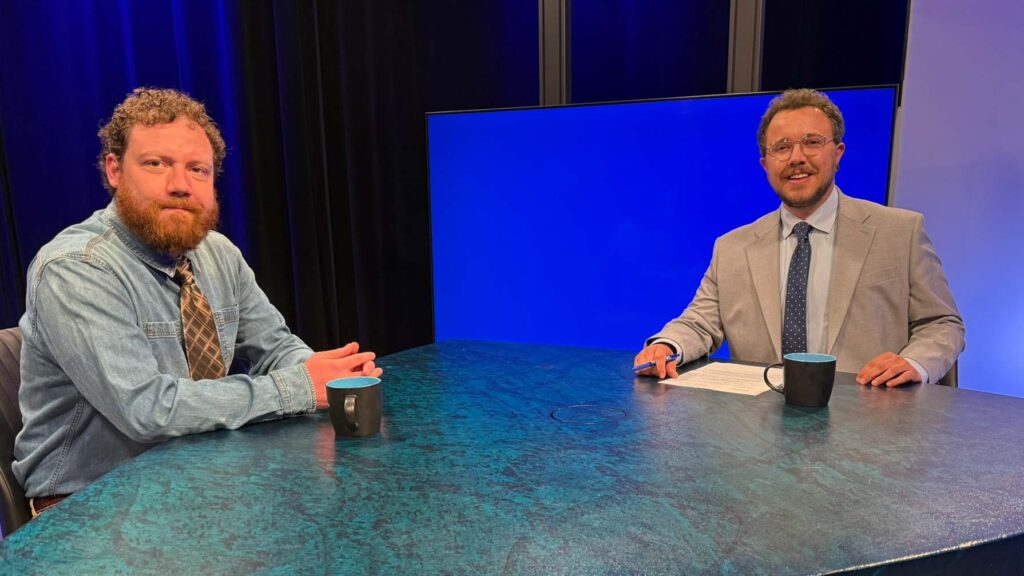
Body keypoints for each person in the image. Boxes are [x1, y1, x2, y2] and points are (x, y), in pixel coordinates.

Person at [13, 88, 382, 516]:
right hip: (87, 503)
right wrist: (299, 387)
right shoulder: (75, 268)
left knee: (347, 517)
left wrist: (334, 381)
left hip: (198, 480)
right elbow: (147, 410)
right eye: (156, 164)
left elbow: (276, 349)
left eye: (197, 170)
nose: (180, 185)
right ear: (114, 170)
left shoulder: (218, 253)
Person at [634, 88, 964, 386]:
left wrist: (914, 363)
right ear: (765, 164)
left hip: (871, 426)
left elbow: (942, 322)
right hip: (759, 432)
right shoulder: (732, 247)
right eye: (782, 147)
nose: (796, 157)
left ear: (838, 152)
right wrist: (666, 346)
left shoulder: (900, 232)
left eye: (811, 142)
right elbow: (699, 323)